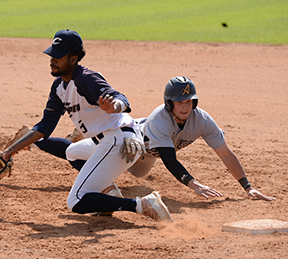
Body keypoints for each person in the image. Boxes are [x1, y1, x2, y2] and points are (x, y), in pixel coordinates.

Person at [0, 29, 172, 222]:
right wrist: (7, 152)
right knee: (72, 151)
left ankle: (142, 205)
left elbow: (121, 98)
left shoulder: (86, 78)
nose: (52, 59)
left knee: (76, 200)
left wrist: (113, 106)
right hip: (106, 141)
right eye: (51, 55)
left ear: (73, 59)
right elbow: (44, 127)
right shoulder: (59, 87)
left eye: (58, 56)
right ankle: (109, 192)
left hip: (120, 142)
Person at [22, 76, 275, 202]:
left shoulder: (203, 121)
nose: (184, 107)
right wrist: (193, 184)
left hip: (144, 158)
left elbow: (226, 154)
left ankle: (89, 151)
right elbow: (169, 159)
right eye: (179, 102)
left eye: (189, 101)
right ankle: (31, 138)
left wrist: (247, 186)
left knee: (139, 174)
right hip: (126, 144)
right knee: (72, 152)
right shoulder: (160, 119)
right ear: (169, 103)